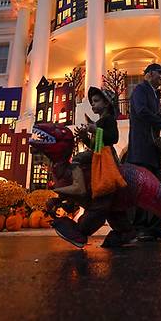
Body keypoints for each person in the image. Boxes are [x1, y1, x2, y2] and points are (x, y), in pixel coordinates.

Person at [52, 86, 135, 248]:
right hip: (99, 156)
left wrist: (96, 129)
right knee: (80, 159)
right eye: (92, 102)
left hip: (106, 159)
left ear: (106, 103)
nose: (93, 105)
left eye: (96, 101)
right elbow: (96, 146)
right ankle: (125, 231)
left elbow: (113, 138)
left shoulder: (109, 119)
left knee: (100, 196)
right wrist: (85, 137)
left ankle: (81, 227)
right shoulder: (101, 121)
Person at [127, 63, 161, 241]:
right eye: (159, 74)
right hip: (142, 147)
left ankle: (156, 226)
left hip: (153, 147)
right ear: (149, 74)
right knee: (143, 188)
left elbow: (151, 117)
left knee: (157, 187)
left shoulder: (154, 94)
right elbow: (141, 112)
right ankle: (140, 227)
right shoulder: (140, 89)